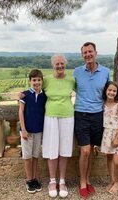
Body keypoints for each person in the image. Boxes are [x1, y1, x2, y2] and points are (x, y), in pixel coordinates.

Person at [73, 42, 110, 199]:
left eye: (90, 51)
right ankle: (82, 182)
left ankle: (88, 179)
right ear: (82, 55)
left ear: (96, 53)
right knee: (85, 150)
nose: (88, 54)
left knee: (92, 150)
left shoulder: (106, 72)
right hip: (81, 114)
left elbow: (109, 92)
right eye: (85, 52)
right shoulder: (76, 72)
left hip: (98, 115)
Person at [42, 54, 75, 198]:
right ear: (52, 65)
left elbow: (85, 93)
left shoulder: (72, 80)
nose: (60, 66)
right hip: (51, 117)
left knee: (64, 150)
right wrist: (21, 95)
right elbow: (34, 90)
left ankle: (62, 181)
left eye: (62, 63)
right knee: (51, 150)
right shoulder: (47, 80)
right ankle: (52, 181)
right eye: (57, 64)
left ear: (65, 65)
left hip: (68, 117)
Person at [18, 69, 47, 194]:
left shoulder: (44, 95)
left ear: (42, 81)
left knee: (35, 156)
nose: (36, 82)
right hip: (27, 131)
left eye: (38, 80)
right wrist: (23, 129)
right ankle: (29, 180)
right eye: (34, 80)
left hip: (38, 131)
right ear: (30, 81)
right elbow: (21, 112)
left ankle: (35, 178)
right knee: (27, 157)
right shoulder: (25, 95)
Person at [101, 81, 118, 194]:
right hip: (107, 134)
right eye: (110, 90)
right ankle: (112, 180)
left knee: (117, 161)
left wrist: (117, 138)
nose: (111, 92)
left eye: (114, 91)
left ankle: (117, 182)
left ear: (117, 93)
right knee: (109, 158)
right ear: (106, 91)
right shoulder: (103, 103)